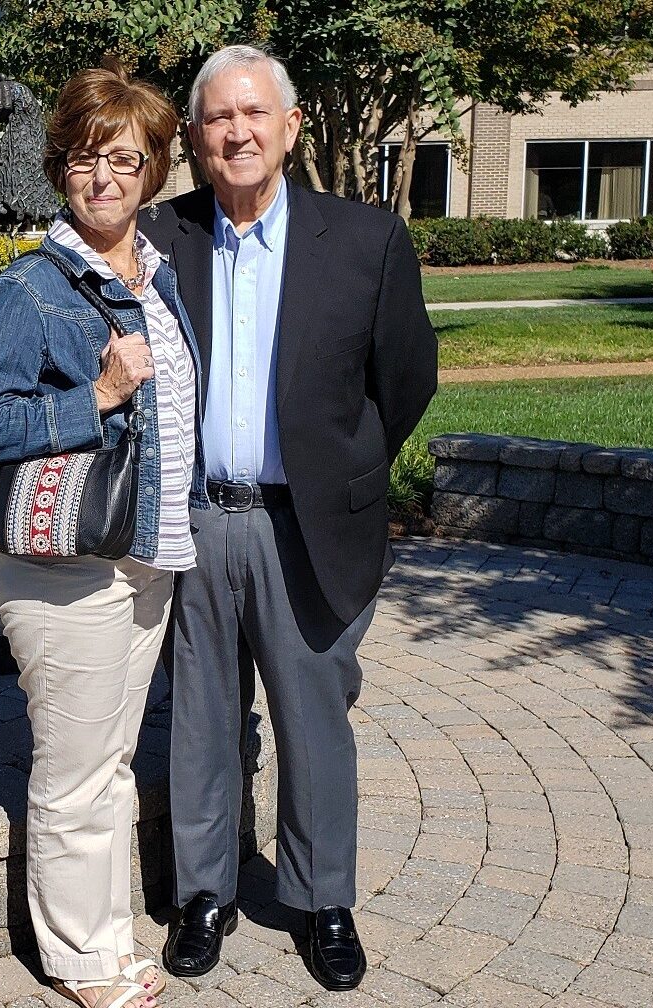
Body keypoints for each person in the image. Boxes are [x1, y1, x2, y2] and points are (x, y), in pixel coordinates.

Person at [139, 45, 438, 991]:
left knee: (315, 723)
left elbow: (405, 379)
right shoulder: (159, 238)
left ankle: (321, 901)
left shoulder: (364, 240)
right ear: (195, 136)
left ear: (291, 127)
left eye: (255, 113)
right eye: (219, 117)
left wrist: (340, 468)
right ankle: (205, 894)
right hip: (196, 522)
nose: (238, 132)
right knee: (201, 719)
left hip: (307, 526)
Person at [0, 65, 198, 1008]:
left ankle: (106, 935)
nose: (105, 177)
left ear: (152, 171)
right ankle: (84, 961)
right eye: (87, 159)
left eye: (125, 160)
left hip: (147, 560)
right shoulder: (30, 288)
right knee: (75, 775)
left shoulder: (159, 279)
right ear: (61, 169)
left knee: (109, 765)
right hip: (68, 572)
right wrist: (95, 395)